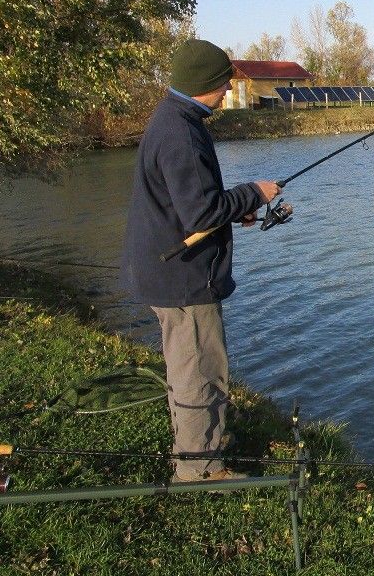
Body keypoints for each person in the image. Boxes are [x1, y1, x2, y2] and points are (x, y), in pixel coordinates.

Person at [120, 39, 280, 482]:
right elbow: (202, 212)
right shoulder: (182, 133)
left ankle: (195, 450)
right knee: (200, 370)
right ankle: (200, 472)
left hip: (166, 270)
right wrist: (254, 193)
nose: (229, 89)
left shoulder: (170, 119)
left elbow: (190, 205)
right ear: (204, 84)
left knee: (186, 363)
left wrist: (236, 210)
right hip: (183, 279)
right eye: (224, 82)